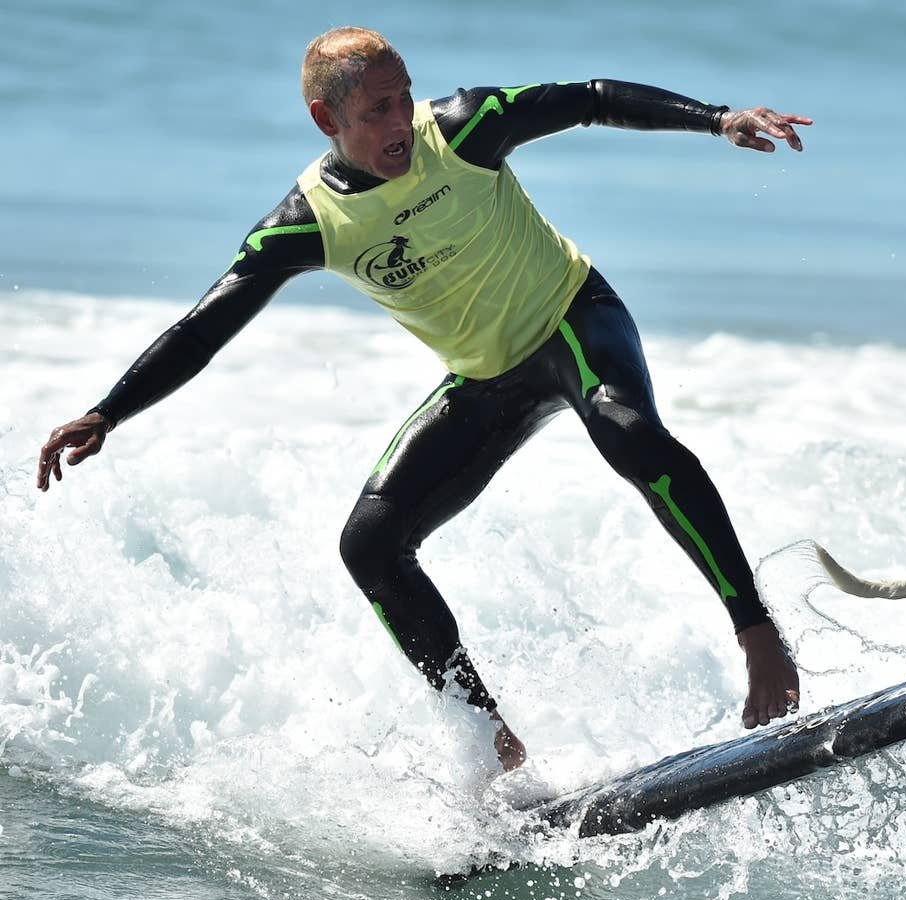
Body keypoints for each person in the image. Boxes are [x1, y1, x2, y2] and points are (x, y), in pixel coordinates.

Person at [36, 26, 807, 772]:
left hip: (574, 319)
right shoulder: (311, 222)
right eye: (377, 110)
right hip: (486, 378)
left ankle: (757, 632)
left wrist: (718, 119)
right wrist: (109, 411)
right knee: (369, 544)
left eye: (403, 97)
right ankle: (491, 740)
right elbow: (203, 328)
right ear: (327, 120)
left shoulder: (464, 129)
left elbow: (593, 97)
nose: (400, 121)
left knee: (625, 431)